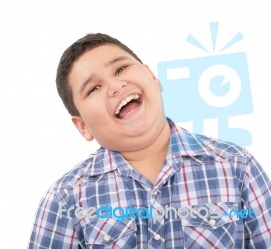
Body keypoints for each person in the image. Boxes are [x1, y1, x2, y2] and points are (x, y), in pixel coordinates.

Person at [28, 33, 271, 248]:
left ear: (152, 76)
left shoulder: (237, 166)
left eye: (121, 69)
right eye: (94, 88)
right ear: (82, 126)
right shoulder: (66, 198)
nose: (115, 85)